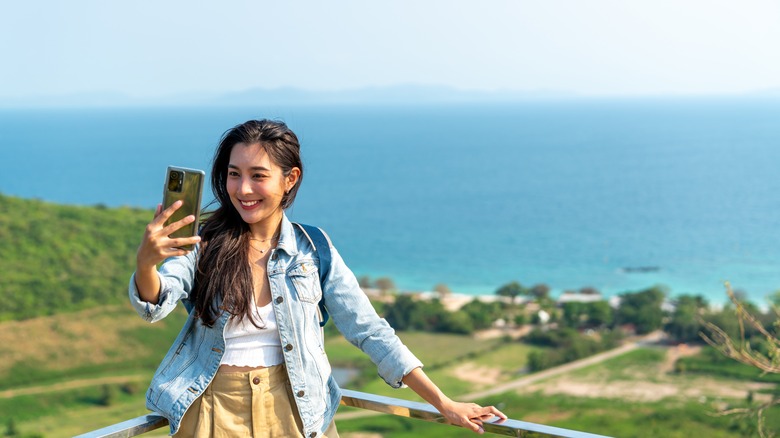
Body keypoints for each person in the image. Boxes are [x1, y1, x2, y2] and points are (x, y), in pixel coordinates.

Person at [129, 119, 506, 437]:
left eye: (258, 176)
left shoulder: (314, 250)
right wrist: (147, 264)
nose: (242, 189)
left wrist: (443, 402)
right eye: (234, 174)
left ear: (290, 179)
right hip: (212, 410)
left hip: (296, 408)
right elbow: (157, 302)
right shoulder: (203, 243)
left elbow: (369, 331)